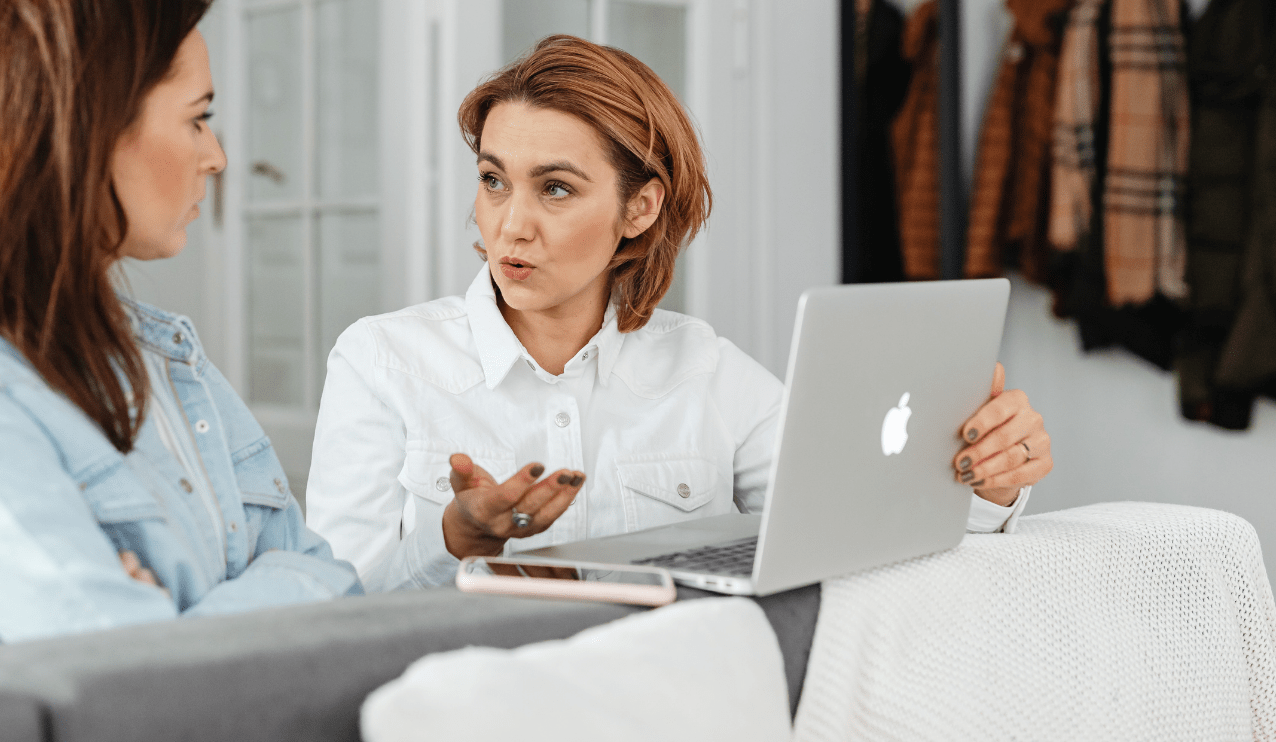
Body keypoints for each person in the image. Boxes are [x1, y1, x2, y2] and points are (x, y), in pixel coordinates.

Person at [306, 35, 1054, 593]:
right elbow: (327, 611)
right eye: (494, 181)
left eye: (556, 188)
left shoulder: (706, 370)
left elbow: (851, 530)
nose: (511, 225)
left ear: (640, 206)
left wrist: (986, 484)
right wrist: (453, 539)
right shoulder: (383, 362)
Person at [0, 0, 361, 669]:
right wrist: (273, 587)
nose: (216, 156)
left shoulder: (170, 363)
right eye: (197, 118)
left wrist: (173, 617)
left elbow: (333, 580)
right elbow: (125, 678)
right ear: (90, 129)